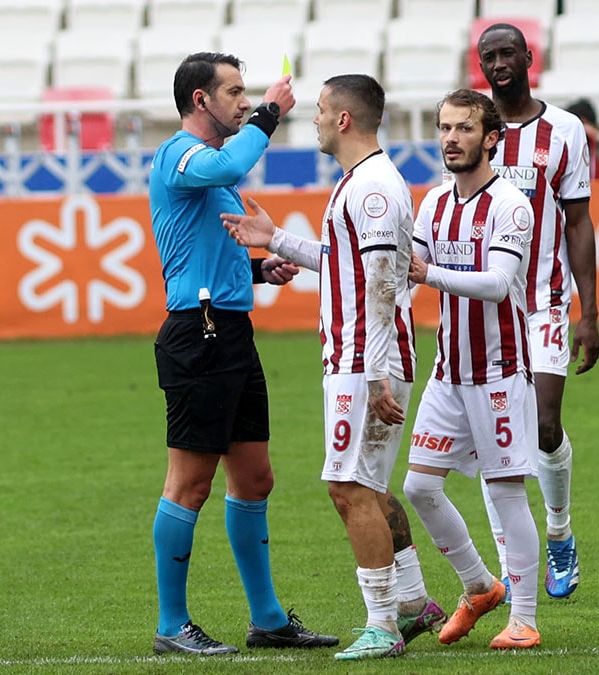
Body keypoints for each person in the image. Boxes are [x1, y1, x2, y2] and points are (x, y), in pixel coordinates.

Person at [220, 73, 447, 661]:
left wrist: (373, 374)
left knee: (348, 487)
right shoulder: (363, 181)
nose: (315, 119)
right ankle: (414, 603)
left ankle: (382, 625)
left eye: (321, 110)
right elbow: (345, 262)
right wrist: (276, 239)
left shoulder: (371, 188)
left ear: (343, 119)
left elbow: (376, 283)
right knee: (364, 484)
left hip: (364, 357)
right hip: (360, 355)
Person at [147, 51, 337, 656]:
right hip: (197, 335)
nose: (243, 100)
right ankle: (172, 625)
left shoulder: (213, 173)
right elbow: (233, 157)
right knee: (190, 484)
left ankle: (269, 619)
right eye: (233, 92)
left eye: (247, 92)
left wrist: (260, 269)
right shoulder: (182, 155)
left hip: (228, 329)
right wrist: (270, 114)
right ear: (200, 101)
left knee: (255, 478)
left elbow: (202, 250)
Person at [401, 88, 542, 650]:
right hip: (449, 372)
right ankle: (480, 586)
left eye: (463, 129)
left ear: (491, 138)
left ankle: (525, 619)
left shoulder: (511, 204)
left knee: (507, 495)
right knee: (418, 486)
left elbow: (498, 283)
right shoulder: (433, 203)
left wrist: (428, 274)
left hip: (502, 372)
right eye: (443, 128)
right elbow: (397, 266)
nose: (450, 139)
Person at [475, 21, 599, 601]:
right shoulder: (474, 126)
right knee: (494, 440)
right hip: (488, 307)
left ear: (529, 57)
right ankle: (510, 561)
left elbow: (578, 221)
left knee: (544, 425)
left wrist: (590, 312)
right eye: (489, 56)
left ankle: (559, 532)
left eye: (508, 53)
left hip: (545, 300)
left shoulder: (565, 130)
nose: (499, 63)